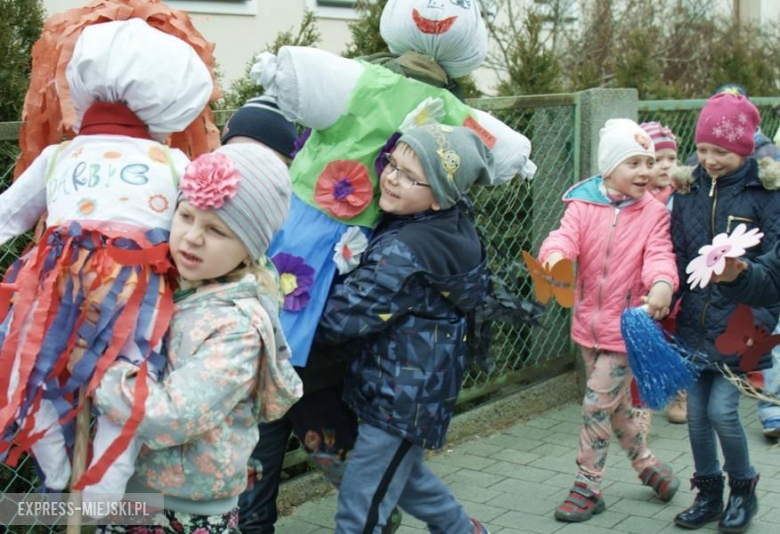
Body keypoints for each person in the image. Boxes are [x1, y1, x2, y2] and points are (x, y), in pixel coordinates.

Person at [0, 16, 214, 505]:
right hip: (136, 294)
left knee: (23, 362)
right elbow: (198, 228)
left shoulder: (58, 156)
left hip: (55, 288)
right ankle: (105, 483)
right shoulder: (174, 163)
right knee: (133, 375)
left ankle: (54, 460)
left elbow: (7, 215)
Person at [93, 143, 303, 532]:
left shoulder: (238, 328)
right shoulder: (159, 288)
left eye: (216, 230)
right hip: (130, 494)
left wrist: (95, 370)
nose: (191, 237)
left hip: (187, 514)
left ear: (250, 248)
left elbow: (170, 418)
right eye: (186, 215)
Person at [317, 124, 493, 534]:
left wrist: (292, 312)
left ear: (439, 197)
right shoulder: (444, 225)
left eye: (410, 176)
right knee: (405, 478)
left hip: (400, 398)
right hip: (405, 389)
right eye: (392, 164)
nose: (392, 178)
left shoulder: (405, 251)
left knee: (360, 508)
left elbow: (344, 316)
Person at [222, 97, 367, 534]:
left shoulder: (325, 213)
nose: (248, 170)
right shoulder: (216, 215)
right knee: (251, 492)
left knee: (344, 467)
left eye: (263, 159)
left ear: (291, 163)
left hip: (314, 376)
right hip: (252, 377)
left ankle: (373, 515)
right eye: (236, 155)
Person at [539, 118, 681, 523]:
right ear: (609, 168)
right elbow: (564, 237)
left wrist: (662, 284)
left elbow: (660, 255)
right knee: (614, 408)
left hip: (626, 329)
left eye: (648, 162)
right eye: (633, 163)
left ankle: (587, 486)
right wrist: (555, 255)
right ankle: (648, 467)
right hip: (587, 325)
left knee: (595, 404)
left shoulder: (653, 213)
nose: (645, 171)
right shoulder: (582, 205)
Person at [670, 92, 780, 532]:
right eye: (702, 149)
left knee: (722, 412)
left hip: (741, 327)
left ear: (745, 149)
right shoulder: (688, 190)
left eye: (722, 151)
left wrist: (761, 322)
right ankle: (708, 493)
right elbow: (680, 255)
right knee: (697, 416)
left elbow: (773, 272)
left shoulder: (766, 195)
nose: (710, 160)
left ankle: (743, 491)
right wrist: (665, 298)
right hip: (694, 325)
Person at [635, 121, 688, 426]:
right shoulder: (635, 198)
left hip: (675, 280)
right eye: (657, 160)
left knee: (676, 337)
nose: (666, 166)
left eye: (672, 158)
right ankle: (643, 405)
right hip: (640, 280)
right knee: (645, 343)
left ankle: (681, 392)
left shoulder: (683, 195)